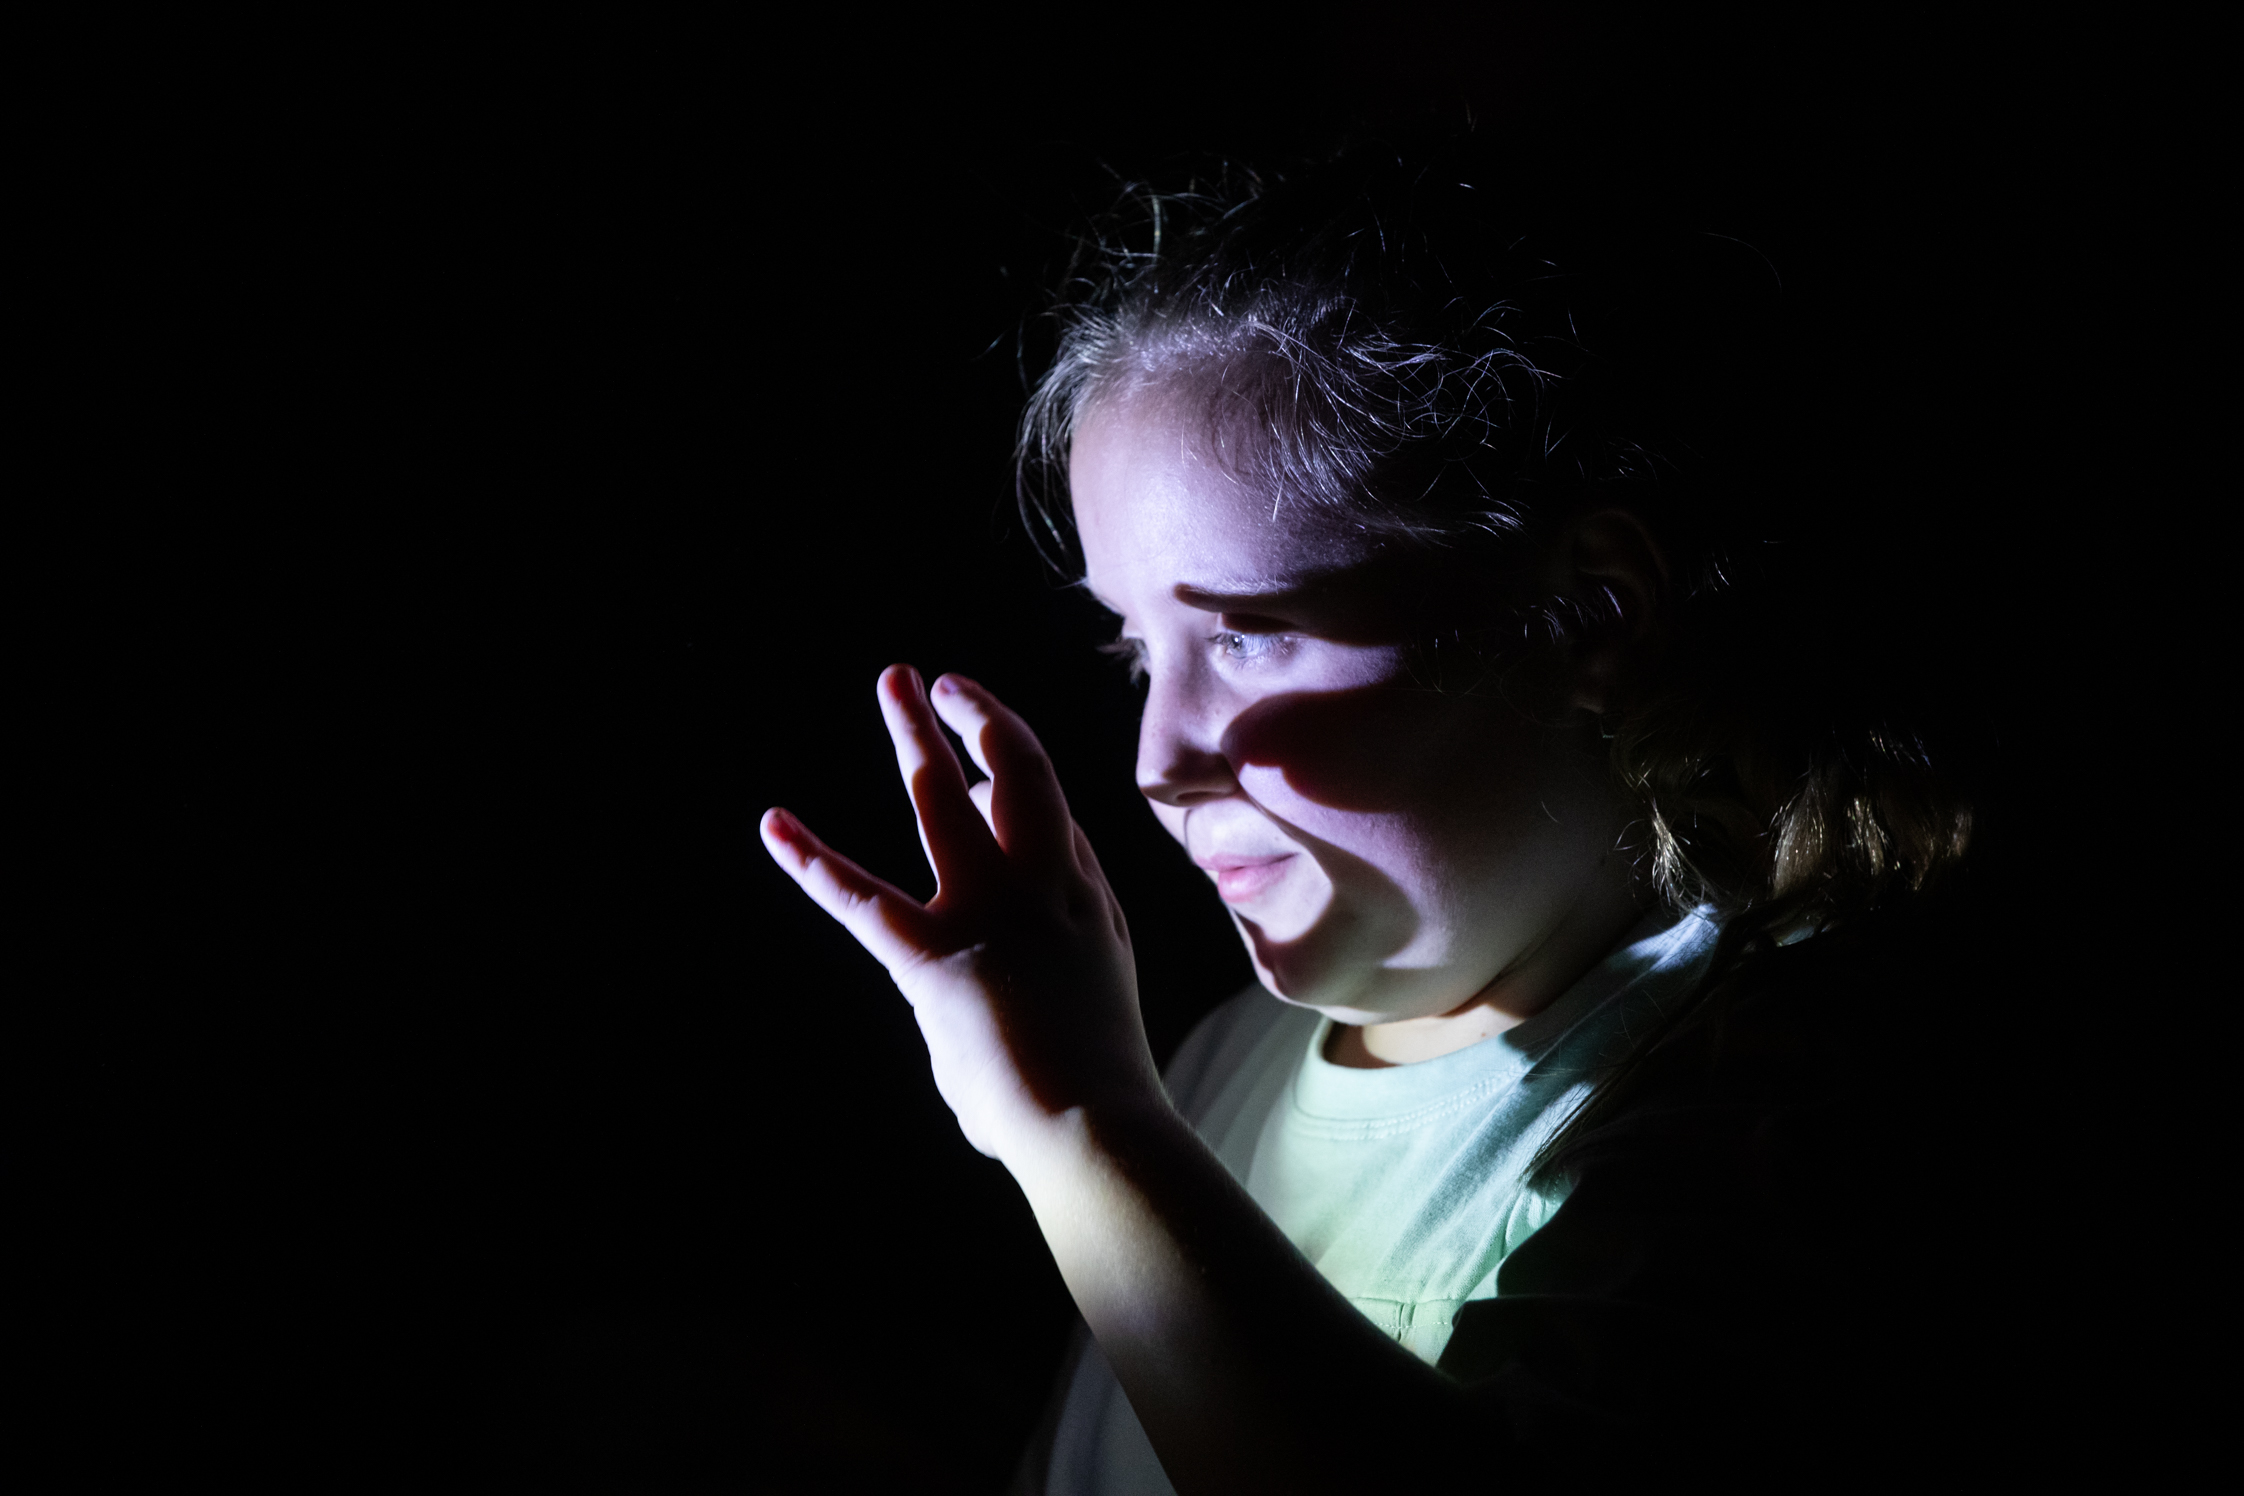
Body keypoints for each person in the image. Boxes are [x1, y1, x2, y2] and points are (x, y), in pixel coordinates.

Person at [761, 145, 1986, 1491]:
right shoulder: (1221, 1063)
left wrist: (1072, 1127)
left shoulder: (1758, 1113)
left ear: (1587, 615)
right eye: (1134, 653)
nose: (1159, 761)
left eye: (1250, 637)